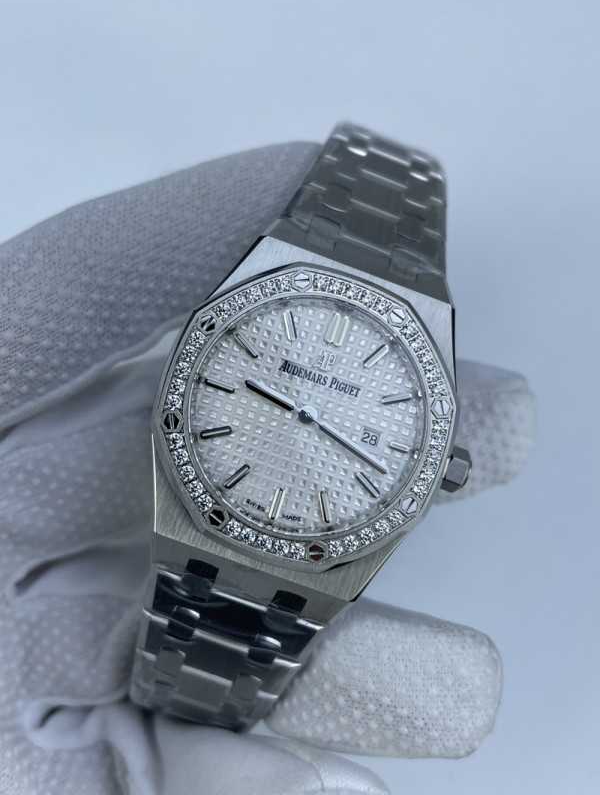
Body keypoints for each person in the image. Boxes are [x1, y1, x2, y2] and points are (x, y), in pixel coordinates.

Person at [0, 140, 534, 795]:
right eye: (296, 407)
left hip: (298, 542)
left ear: (438, 465)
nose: (306, 416)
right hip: (211, 515)